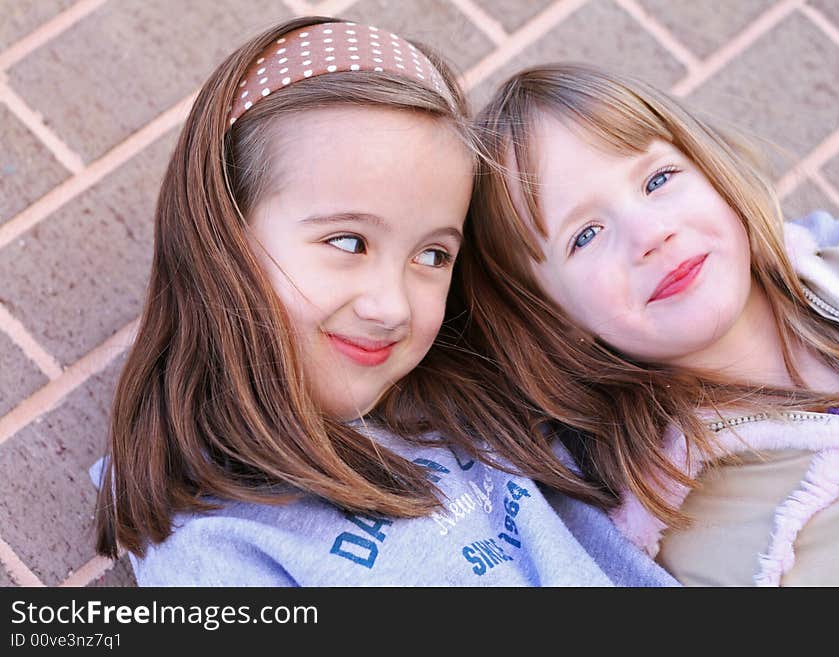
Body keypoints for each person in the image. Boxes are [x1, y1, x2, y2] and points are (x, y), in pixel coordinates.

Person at [90, 19, 679, 586]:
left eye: (432, 256)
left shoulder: (476, 400)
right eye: (348, 242)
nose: (392, 306)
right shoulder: (216, 545)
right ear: (221, 236)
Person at [465, 63, 839, 586]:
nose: (650, 233)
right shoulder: (705, 541)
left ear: (713, 172)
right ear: (555, 319)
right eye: (585, 235)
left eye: (658, 180)